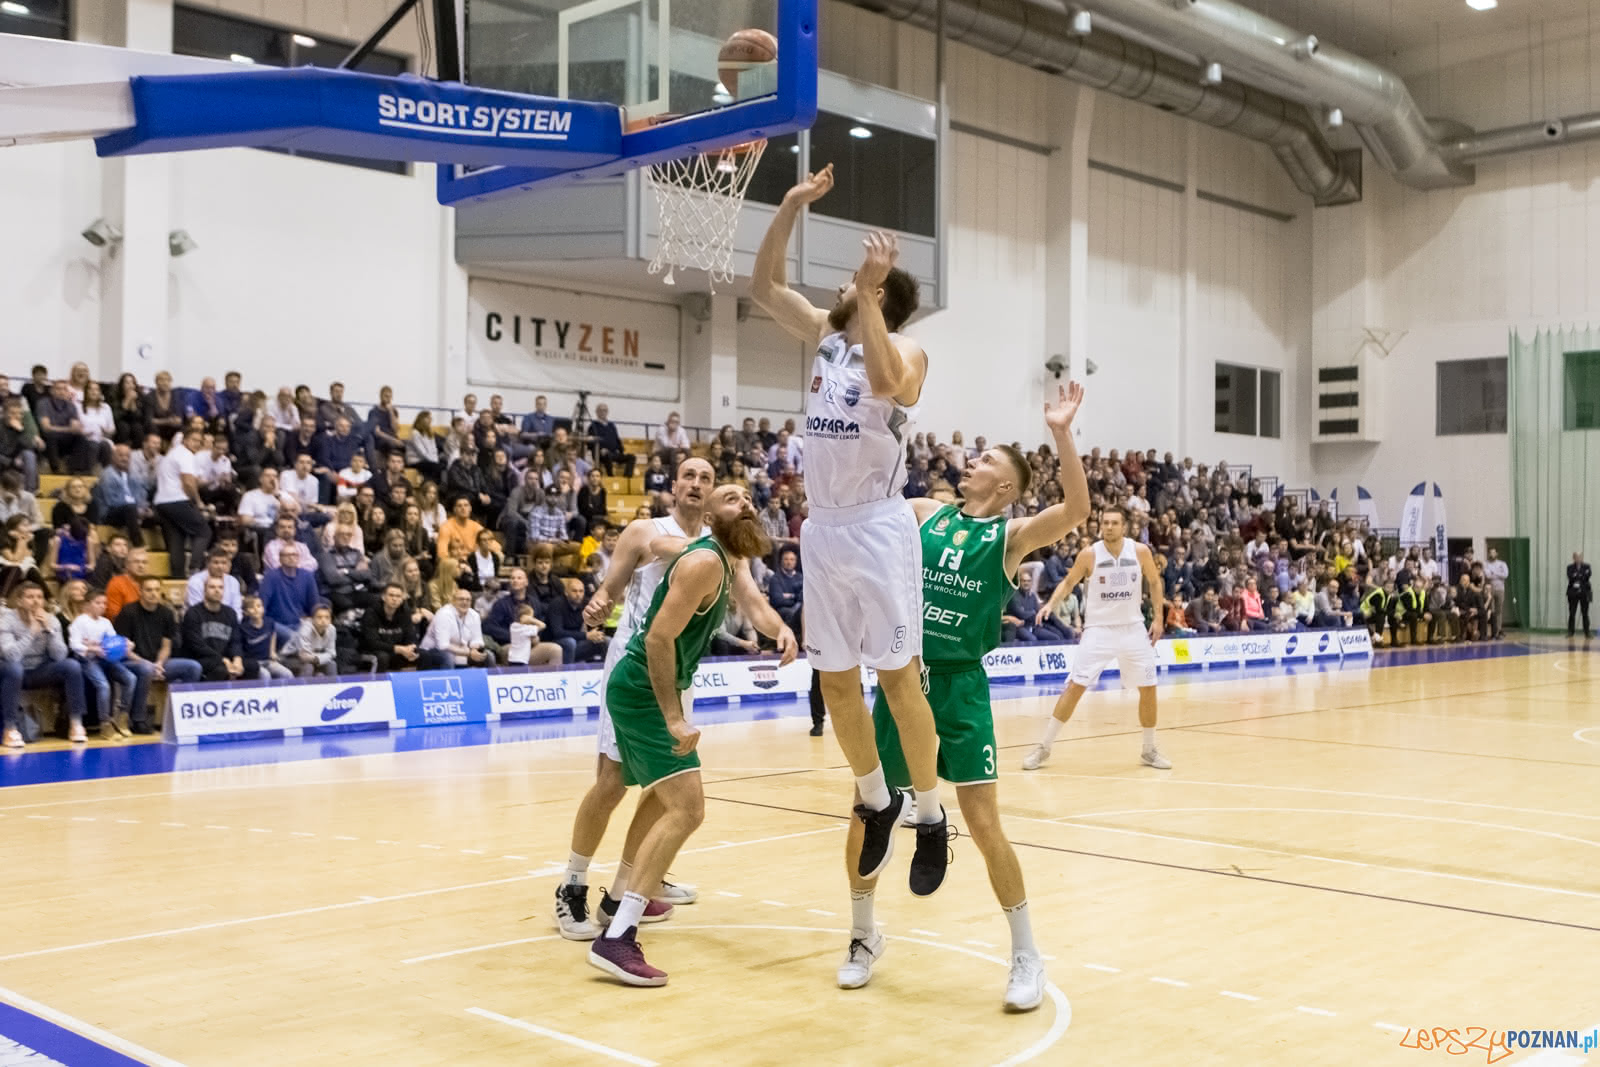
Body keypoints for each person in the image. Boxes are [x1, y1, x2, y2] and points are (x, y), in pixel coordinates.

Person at [840, 382, 1089, 1010]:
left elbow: (1076, 510)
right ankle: (863, 936)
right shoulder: (926, 512)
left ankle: (1027, 953)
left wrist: (1060, 432)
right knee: (866, 814)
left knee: (983, 824)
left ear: (1004, 487)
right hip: (904, 682)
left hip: (961, 689)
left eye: (986, 462)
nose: (972, 462)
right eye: (974, 458)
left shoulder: (1009, 537)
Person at [753, 165, 950, 896]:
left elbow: (890, 382)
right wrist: (791, 205)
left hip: (878, 525)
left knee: (897, 680)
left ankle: (929, 815)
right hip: (826, 529)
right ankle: (875, 797)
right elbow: (764, 288)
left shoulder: (910, 353)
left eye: (854, 285)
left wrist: (868, 294)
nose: (838, 289)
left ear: (878, 299)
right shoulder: (827, 337)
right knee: (834, 682)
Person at [556, 459, 797, 942]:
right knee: (612, 782)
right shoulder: (652, 531)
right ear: (678, 489)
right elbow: (616, 581)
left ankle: (627, 888)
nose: (697, 483)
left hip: (677, 670)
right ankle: (573, 885)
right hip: (639, 658)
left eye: (707, 478)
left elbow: (752, 601)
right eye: (690, 476)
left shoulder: (728, 551)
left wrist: (780, 629)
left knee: (663, 787)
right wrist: (601, 600)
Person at [1026, 502, 1170, 771]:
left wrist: (1159, 618)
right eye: (1105, 523)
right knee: (1075, 686)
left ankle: (1149, 749)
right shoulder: (1089, 554)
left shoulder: (1140, 551)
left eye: (1114, 523)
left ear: (1125, 526)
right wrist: (1050, 604)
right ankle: (1044, 747)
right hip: (1098, 630)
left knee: (1149, 687)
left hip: (1133, 629)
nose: (1108, 527)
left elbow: (1154, 582)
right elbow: (1068, 583)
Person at [1, 581, 89, 745]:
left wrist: (50, 631)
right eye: (30, 597)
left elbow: (60, 656)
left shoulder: (52, 620)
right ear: (19, 601)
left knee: (72, 666)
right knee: (15, 669)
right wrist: (32, 632)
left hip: (39, 670)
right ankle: (10, 729)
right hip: (10, 670)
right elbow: (11, 656)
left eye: (40, 597)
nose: (36, 601)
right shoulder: (6, 620)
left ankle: (76, 724)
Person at [67, 588, 136, 738]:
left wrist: (126, 645)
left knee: (130, 678)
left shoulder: (105, 622)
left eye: (104, 603)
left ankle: (122, 717)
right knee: (103, 685)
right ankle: (105, 723)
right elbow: (74, 644)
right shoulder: (80, 622)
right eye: (98, 603)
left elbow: (113, 641)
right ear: (88, 604)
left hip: (105, 658)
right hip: (88, 660)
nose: (102, 606)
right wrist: (92, 648)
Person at [154, 426, 212, 576]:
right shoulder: (186, 455)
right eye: (194, 440)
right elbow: (188, 483)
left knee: (176, 540)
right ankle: (194, 568)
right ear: (185, 440)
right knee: (204, 531)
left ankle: (177, 577)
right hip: (177, 500)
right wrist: (198, 502)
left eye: (200, 441)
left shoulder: (172, 453)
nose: (197, 444)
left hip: (161, 502)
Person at [181, 575, 246, 681]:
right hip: (201, 658)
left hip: (225, 659)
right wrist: (222, 660)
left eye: (220, 587)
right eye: (212, 587)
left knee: (252, 666)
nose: (217, 590)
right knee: (221, 669)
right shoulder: (193, 613)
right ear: (204, 590)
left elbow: (236, 641)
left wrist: (237, 659)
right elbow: (197, 645)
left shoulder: (231, 613)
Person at [259, 543, 321, 646]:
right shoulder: (271, 577)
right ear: (280, 559)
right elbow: (262, 605)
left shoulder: (307, 576)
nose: (291, 558)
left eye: (294, 555)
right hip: (276, 624)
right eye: (287, 555)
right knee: (295, 638)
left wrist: (312, 621)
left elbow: (314, 605)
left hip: (299, 623)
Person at [421, 586, 490, 669]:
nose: (465, 602)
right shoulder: (444, 614)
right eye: (461, 599)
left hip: (462, 651)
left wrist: (474, 650)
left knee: (488, 656)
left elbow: (477, 639)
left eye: (468, 600)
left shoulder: (474, 615)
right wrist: (469, 653)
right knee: (448, 657)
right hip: (432, 651)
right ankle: (448, 681)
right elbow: (443, 646)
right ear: (453, 601)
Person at [93, 443, 148, 547]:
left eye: (127, 456)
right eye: (121, 455)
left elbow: (142, 493)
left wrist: (143, 508)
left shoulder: (133, 474)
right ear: (113, 457)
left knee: (159, 513)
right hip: (111, 513)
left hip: (132, 513)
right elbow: (112, 501)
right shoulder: (107, 475)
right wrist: (136, 509)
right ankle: (138, 544)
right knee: (130, 508)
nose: (125, 459)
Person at [547, 577, 608, 663]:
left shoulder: (586, 603)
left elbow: (594, 627)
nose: (578, 594)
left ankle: (604, 673)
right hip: (556, 642)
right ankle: (568, 673)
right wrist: (586, 635)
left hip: (577, 642)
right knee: (570, 643)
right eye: (574, 591)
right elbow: (558, 632)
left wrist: (597, 634)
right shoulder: (557, 604)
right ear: (566, 592)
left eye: (581, 591)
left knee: (604, 640)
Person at [240, 593, 294, 680]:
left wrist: (272, 651)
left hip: (268, 661)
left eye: (259, 606)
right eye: (251, 607)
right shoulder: (243, 628)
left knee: (287, 674)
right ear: (245, 612)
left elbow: (273, 634)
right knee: (265, 676)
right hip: (255, 664)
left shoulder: (269, 622)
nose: (256, 609)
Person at [185, 550, 243, 614]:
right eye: (216, 562)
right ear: (208, 564)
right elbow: (196, 610)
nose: (220, 566)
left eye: (224, 563)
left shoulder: (233, 582)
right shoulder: (195, 581)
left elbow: (237, 609)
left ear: (229, 564)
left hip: (228, 621)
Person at [589, 403, 634, 478]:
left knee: (632, 457)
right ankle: (611, 477)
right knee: (607, 455)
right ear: (596, 412)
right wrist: (600, 449)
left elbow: (617, 439)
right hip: (601, 454)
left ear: (607, 412)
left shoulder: (612, 425)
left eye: (605, 410)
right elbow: (590, 443)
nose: (603, 412)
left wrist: (620, 450)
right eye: (601, 410)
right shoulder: (593, 426)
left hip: (614, 453)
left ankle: (626, 478)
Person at [1484, 547, 1509, 638]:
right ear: (1488, 554)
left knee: (1499, 611)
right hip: (1490, 590)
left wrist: (1494, 572)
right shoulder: (1486, 564)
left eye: (1493, 552)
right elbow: (1488, 575)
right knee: (1491, 611)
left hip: (1500, 589)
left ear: (1496, 554)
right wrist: (1498, 574)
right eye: (1490, 553)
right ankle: (1491, 631)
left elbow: (1505, 575)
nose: (1492, 554)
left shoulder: (1502, 563)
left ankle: (1498, 630)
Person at [1568, 551, 1592, 638]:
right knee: (1572, 613)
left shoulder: (1587, 566)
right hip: (1573, 593)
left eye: (1580, 557)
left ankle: (1587, 632)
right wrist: (1580, 575)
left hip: (1585, 592)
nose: (1578, 558)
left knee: (1585, 613)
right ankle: (1570, 632)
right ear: (1574, 558)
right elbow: (1570, 577)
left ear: (1582, 558)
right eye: (1577, 557)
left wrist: (1577, 575)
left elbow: (1587, 576)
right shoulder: (1569, 567)